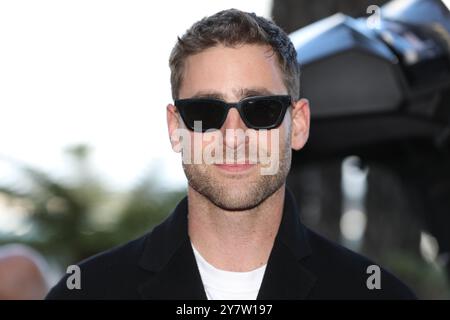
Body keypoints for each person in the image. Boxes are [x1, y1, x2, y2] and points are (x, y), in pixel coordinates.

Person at [46, 8, 416, 300]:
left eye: (261, 110)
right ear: (176, 128)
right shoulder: (88, 293)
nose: (233, 136)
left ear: (299, 124)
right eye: (205, 112)